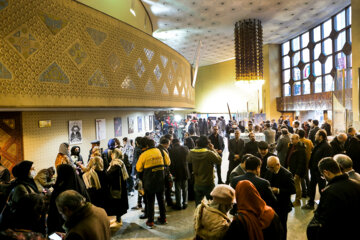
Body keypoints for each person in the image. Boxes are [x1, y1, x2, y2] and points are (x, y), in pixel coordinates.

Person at [307, 157, 360, 240]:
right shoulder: (357, 184)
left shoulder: (330, 192)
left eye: (322, 176)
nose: (323, 178)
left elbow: (325, 222)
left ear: (326, 173)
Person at [47, 164, 90, 235]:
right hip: (83, 226)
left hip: (63, 230)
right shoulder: (79, 184)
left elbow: (53, 213)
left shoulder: (60, 189)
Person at [136, 138, 170, 228]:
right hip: (160, 180)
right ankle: (163, 218)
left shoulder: (144, 155)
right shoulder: (161, 152)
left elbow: (138, 168)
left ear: (146, 146)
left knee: (150, 201)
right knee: (161, 200)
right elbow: (168, 162)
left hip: (149, 181)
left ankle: (150, 221)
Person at [0, 161, 40, 230]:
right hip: (22, 225)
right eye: (32, 169)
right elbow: (25, 207)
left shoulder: (28, 183)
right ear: (25, 171)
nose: (34, 170)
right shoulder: (20, 187)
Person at [265, 156, 295, 239]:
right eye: (268, 166)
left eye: (271, 167)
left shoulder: (287, 174)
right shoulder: (269, 171)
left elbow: (292, 190)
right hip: (271, 205)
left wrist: (278, 190)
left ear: (278, 165)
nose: (269, 169)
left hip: (282, 206)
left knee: (282, 227)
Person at [187, 136, 222, 206]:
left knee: (198, 204)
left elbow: (188, 160)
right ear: (207, 144)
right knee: (212, 204)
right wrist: (213, 149)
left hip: (197, 182)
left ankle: (199, 216)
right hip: (209, 182)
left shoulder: (191, 152)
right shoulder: (209, 153)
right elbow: (219, 160)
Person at [302, 130, 332, 210]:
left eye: (316, 135)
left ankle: (322, 206)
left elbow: (326, 160)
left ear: (321, 136)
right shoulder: (319, 144)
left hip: (320, 172)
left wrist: (322, 172)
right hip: (314, 170)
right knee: (312, 187)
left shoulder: (326, 146)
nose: (315, 136)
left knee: (321, 188)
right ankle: (310, 203)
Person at [105, 148, 129, 224]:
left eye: (112, 154)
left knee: (117, 204)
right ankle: (118, 217)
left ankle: (118, 218)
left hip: (116, 187)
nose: (111, 155)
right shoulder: (120, 162)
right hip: (120, 186)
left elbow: (109, 175)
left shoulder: (115, 164)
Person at [284, 134, 306, 206]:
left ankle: (298, 200)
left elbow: (301, 162)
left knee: (297, 185)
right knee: (289, 184)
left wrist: (297, 173)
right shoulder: (291, 146)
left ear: (297, 139)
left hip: (296, 170)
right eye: (291, 139)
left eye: (293, 139)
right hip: (290, 168)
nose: (291, 140)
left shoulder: (301, 148)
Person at [169, 138, 190, 210]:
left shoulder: (171, 151)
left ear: (172, 143)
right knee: (185, 188)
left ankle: (178, 204)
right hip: (185, 170)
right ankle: (185, 203)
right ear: (179, 142)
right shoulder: (185, 148)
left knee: (177, 189)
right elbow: (189, 159)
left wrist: (172, 173)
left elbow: (171, 163)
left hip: (176, 171)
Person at [158, 137, 174, 207]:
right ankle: (168, 201)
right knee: (167, 187)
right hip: (164, 171)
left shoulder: (156, 149)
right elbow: (168, 162)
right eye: (168, 145)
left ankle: (164, 201)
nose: (168, 146)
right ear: (166, 144)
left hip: (159, 172)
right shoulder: (164, 150)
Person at [298, 129, 313, 198]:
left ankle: (304, 192)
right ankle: (309, 191)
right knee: (307, 177)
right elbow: (312, 148)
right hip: (308, 161)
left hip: (301, 161)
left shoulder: (298, 142)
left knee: (301, 177)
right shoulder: (309, 141)